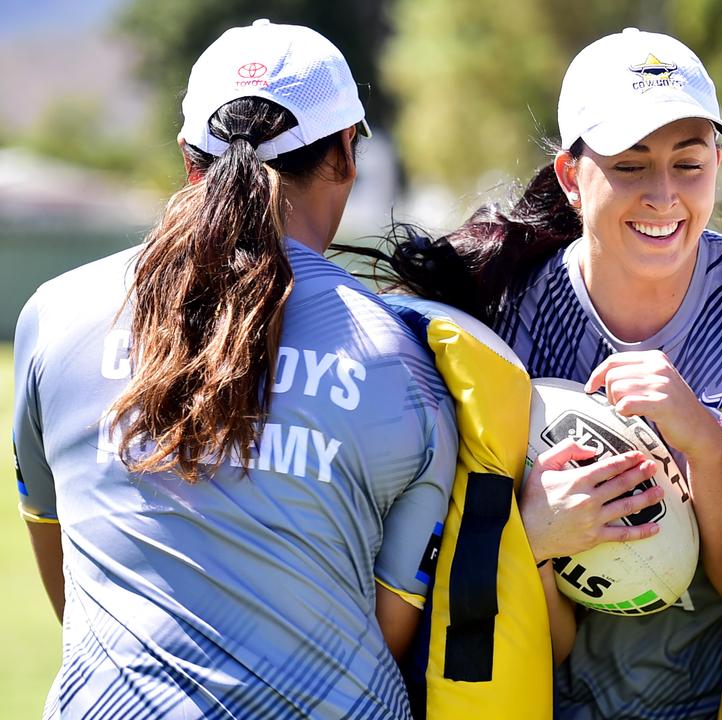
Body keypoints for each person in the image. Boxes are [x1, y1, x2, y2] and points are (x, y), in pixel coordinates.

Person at [362, 27, 722, 719]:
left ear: (718, 164)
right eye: (631, 165)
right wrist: (530, 538)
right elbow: (516, 626)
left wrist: (700, 440)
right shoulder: (500, 321)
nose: (664, 195)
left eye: (689, 162)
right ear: (570, 178)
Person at [13, 20, 456, 719]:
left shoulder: (53, 316)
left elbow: (56, 547)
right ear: (346, 155)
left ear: (191, 158)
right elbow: (391, 622)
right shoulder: (407, 359)